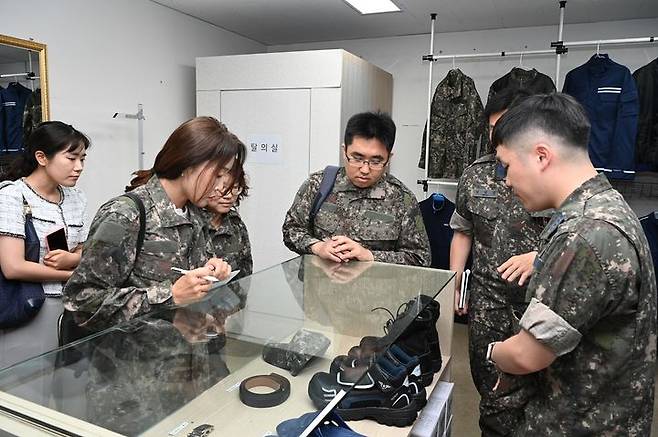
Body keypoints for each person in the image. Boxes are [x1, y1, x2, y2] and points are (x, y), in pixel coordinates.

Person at [489, 93, 656, 435]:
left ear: (541, 156)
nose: (505, 180)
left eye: (506, 165)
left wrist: (492, 351)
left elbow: (526, 355)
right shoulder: (604, 205)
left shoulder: (584, 235)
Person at [63, 117, 244, 328]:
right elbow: (81, 300)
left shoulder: (195, 214)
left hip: (187, 353)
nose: (222, 187)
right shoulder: (125, 215)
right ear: (189, 164)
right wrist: (170, 295)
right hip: (133, 358)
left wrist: (210, 272)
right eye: (219, 174)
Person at [449, 90, 547, 436]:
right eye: (493, 126)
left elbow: (574, 237)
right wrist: (455, 282)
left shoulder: (548, 176)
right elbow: (463, 231)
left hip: (539, 303)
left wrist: (539, 258)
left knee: (538, 388)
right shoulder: (476, 174)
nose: (498, 133)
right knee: (488, 381)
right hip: (488, 301)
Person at [282, 111, 430, 267]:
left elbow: (420, 258)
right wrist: (318, 247)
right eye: (357, 158)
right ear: (344, 151)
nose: (365, 169)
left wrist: (369, 255)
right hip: (321, 286)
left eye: (376, 161)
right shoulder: (318, 185)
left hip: (374, 289)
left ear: (389, 158)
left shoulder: (402, 199)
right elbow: (291, 230)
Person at [0, 121, 90, 369]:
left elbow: (86, 249)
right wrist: (71, 272)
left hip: (74, 306)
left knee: (70, 392)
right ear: (42, 157)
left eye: (82, 158)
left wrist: (73, 259)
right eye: (71, 158)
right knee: (28, 393)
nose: (79, 167)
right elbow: (13, 267)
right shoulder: (12, 196)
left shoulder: (76, 197)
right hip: (31, 307)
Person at [204, 167, 252, 279]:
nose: (229, 195)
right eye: (223, 188)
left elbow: (246, 272)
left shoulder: (236, 223)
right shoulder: (190, 222)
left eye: (235, 188)